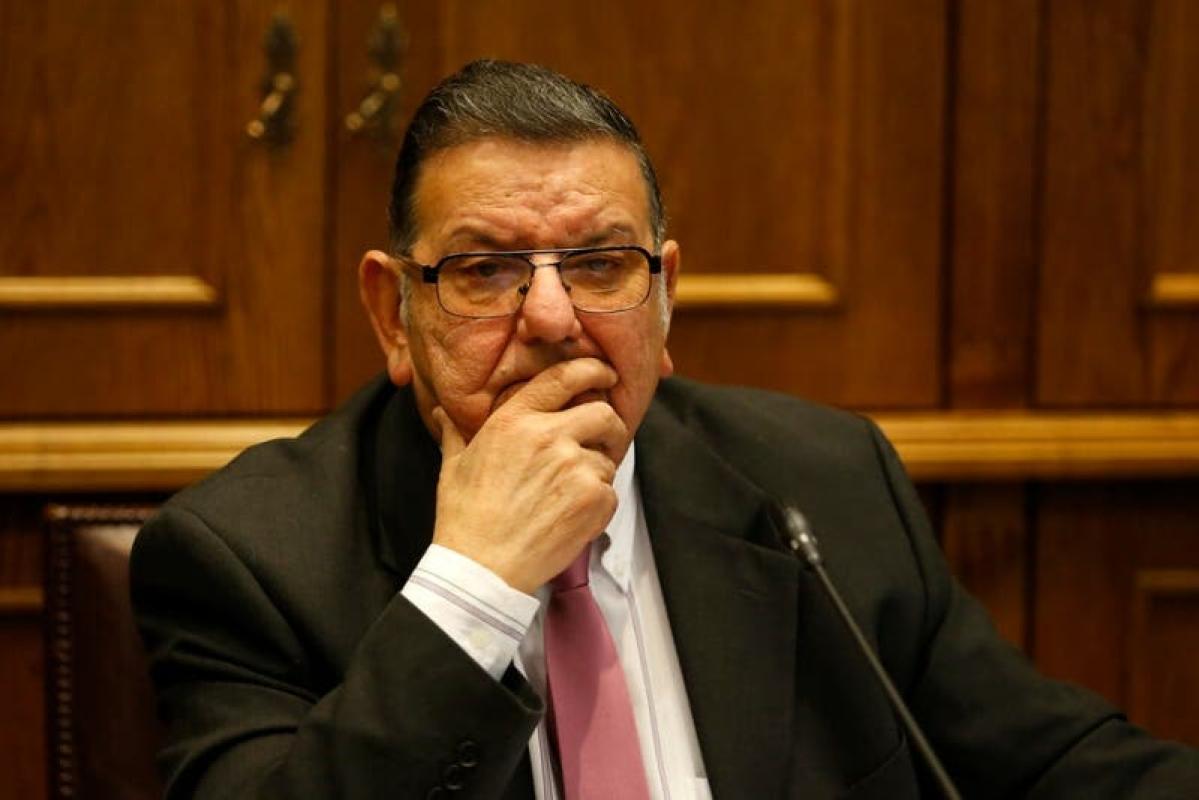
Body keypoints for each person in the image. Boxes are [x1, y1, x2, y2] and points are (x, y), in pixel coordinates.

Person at [131, 60, 1199, 799]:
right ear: (391, 313)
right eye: (485, 269)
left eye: (601, 264)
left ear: (665, 296)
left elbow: (1053, 766)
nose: (553, 318)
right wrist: (474, 584)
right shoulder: (249, 558)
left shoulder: (820, 484)